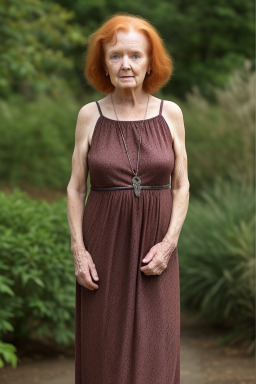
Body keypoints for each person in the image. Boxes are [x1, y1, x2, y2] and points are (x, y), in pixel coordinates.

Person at [67, 12, 190, 384]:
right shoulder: (89, 115)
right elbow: (75, 186)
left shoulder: (171, 114)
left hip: (156, 247)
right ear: (103, 63)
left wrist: (169, 245)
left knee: (158, 343)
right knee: (105, 347)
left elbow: (181, 184)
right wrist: (79, 251)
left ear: (151, 61)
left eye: (135, 55)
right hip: (102, 247)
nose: (125, 64)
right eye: (115, 55)